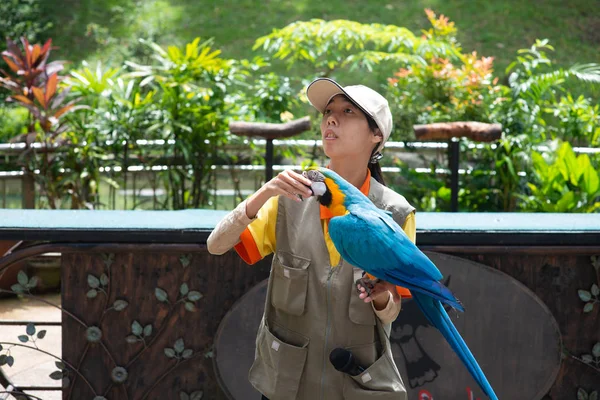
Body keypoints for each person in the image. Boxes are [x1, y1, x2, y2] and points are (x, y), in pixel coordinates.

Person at [207, 77, 416, 400]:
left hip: (357, 385)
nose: (331, 118)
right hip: (287, 386)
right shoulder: (289, 196)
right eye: (327, 111)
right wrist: (265, 192)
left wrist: (380, 296)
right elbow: (216, 245)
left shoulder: (395, 213)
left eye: (348, 111)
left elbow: (392, 310)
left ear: (377, 135)